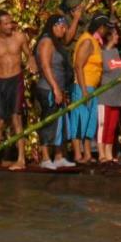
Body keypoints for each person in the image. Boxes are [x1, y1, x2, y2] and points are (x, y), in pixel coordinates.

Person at [0, 10, 35, 169]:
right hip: (0, 83)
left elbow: (29, 55)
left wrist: (32, 62)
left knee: (16, 118)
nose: (10, 25)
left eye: (11, 22)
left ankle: (21, 160)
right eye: (6, 23)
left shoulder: (19, 37)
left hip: (15, 81)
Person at [34, 14, 77, 169]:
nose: (64, 30)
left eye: (65, 27)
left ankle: (59, 156)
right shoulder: (46, 42)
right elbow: (46, 66)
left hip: (59, 88)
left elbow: (69, 37)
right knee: (49, 121)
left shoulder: (56, 42)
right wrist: (56, 88)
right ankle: (46, 158)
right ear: (53, 26)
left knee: (60, 122)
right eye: (62, 27)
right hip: (48, 88)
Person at [69, 14, 111, 164]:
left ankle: (87, 153)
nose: (108, 32)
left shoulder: (94, 41)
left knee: (89, 122)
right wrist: (84, 90)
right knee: (79, 120)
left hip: (92, 87)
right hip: (82, 86)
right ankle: (77, 154)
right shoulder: (87, 41)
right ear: (100, 28)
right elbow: (78, 66)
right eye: (106, 29)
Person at [97, 25, 121, 163]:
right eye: (115, 34)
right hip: (105, 95)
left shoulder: (115, 51)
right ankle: (101, 153)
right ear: (109, 36)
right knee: (103, 124)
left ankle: (109, 153)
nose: (117, 37)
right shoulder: (101, 53)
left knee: (112, 126)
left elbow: (120, 69)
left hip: (117, 95)